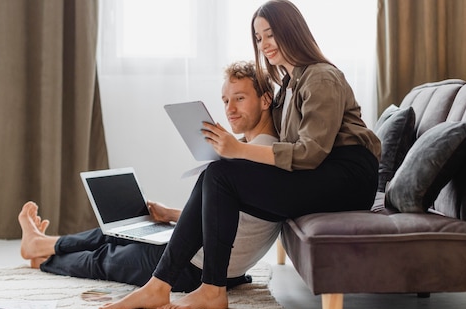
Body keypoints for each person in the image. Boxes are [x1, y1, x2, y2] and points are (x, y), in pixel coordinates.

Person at [100, 0, 381, 309]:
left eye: (271, 34)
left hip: (348, 178)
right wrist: (231, 139)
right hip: (322, 175)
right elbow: (276, 141)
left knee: (222, 175)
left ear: (292, 31)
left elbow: (310, 154)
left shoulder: (320, 76)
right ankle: (160, 284)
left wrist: (238, 150)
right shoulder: (288, 85)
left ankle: (210, 289)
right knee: (214, 175)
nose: (264, 45)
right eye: (259, 38)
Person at [18, 60, 281, 293]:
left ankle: (43, 256)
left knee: (107, 256)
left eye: (240, 98)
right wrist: (170, 214)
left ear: (265, 100)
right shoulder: (254, 149)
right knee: (122, 231)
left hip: (195, 269)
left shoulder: (260, 155)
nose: (230, 109)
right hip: (200, 254)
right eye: (225, 100)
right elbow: (227, 216)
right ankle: (43, 244)